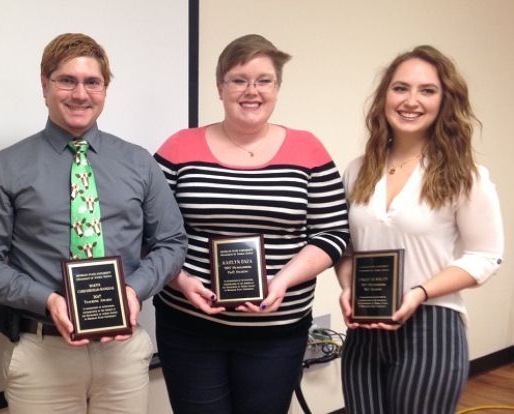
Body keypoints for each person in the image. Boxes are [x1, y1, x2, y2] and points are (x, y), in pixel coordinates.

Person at [0, 32, 187, 414]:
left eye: (92, 82)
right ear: (45, 84)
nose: (80, 94)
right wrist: (48, 301)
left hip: (123, 351)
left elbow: (172, 242)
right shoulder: (6, 167)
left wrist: (134, 291)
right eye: (67, 80)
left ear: (105, 89)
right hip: (43, 353)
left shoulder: (138, 163)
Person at [153, 34, 350, 414]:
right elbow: (149, 231)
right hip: (189, 326)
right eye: (239, 79)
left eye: (264, 80)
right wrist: (179, 280)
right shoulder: (179, 147)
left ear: (277, 88)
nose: (251, 91)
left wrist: (283, 280)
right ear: (220, 87)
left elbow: (332, 232)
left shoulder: (308, 150)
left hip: (277, 332)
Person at [336, 45, 504, 414]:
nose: (411, 100)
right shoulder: (358, 169)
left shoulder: (466, 176)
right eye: (400, 88)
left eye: (427, 90)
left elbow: (486, 257)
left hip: (432, 325)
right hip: (364, 329)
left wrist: (418, 293)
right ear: (384, 96)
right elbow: (347, 249)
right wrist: (348, 287)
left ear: (445, 101)